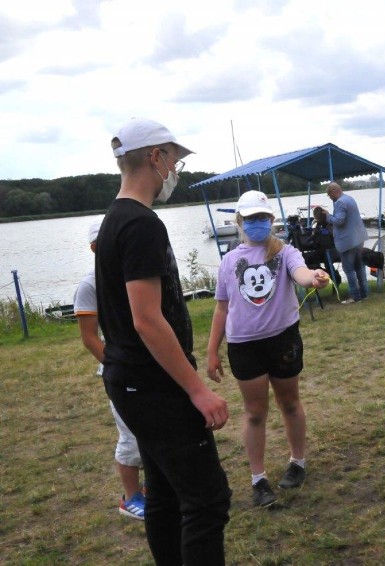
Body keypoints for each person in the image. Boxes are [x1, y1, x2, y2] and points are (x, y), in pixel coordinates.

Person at [96, 117, 231, 565]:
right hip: (154, 385)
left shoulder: (115, 219)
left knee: (167, 495)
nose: (177, 169)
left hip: (131, 381)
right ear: (155, 158)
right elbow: (147, 319)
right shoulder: (139, 224)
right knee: (207, 501)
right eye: (174, 159)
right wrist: (197, 389)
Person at [206, 190, 329, 508]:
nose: (257, 223)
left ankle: (297, 463)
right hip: (243, 347)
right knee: (255, 412)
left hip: (283, 340)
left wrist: (313, 277)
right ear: (240, 222)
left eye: (262, 217)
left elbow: (301, 274)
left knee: (290, 404)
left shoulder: (286, 253)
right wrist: (211, 351)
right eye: (250, 218)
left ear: (271, 220)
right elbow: (221, 308)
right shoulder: (229, 262)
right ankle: (258, 480)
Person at [74, 218, 146, 521]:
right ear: (94, 248)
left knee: (153, 433)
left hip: (147, 367)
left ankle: (155, 492)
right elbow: (90, 338)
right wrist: (118, 367)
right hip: (121, 372)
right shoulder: (91, 284)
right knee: (130, 436)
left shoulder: (133, 275)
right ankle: (130, 498)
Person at [324, 182, 369, 303]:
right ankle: (365, 293)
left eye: (329, 194)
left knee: (349, 269)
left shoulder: (340, 202)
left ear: (334, 190)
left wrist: (328, 216)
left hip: (348, 241)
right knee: (359, 267)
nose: (330, 197)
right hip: (358, 238)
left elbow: (339, 221)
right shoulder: (349, 198)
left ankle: (355, 296)